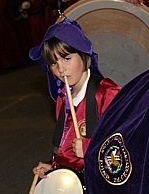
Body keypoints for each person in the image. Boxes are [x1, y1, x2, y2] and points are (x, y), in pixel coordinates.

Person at [29, 19, 119, 180]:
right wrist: (54, 166)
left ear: (84, 55)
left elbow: (129, 143)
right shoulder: (64, 98)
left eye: (66, 58)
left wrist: (89, 148)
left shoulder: (107, 94)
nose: (60, 69)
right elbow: (68, 151)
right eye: (53, 63)